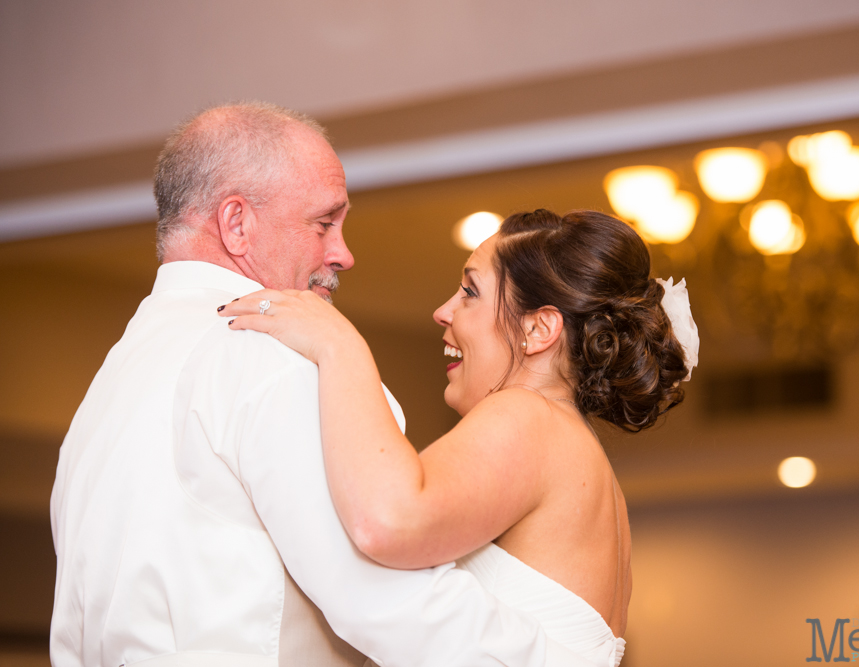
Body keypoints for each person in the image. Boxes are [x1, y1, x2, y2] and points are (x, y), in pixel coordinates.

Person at [49, 103, 599, 667]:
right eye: (323, 223)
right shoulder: (269, 356)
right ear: (237, 224)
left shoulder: (108, 390)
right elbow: (384, 598)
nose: (344, 253)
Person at [219, 208, 701, 667]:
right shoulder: (582, 456)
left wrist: (340, 346)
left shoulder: (529, 415)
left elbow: (387, 521)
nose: (443, 311)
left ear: (538, 329)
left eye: (470, 292)